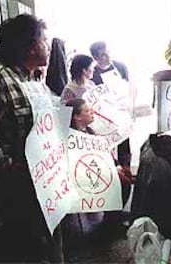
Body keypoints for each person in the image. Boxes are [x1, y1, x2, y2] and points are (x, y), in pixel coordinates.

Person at [0, 14, 60, 262]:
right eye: (44, 40)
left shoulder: (33, 79)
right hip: (15, 188)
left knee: (41, 243)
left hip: (42, 179)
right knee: (22, 247)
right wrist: (10, 165)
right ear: (29, 46)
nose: (48, 47)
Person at [63, 98, 133, 259]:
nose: (92, 112)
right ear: (77, 117)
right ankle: (108, 225)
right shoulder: (68, 137)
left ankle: (112, 221)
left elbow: (103, 153)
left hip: (97, 171)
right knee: (118, 183)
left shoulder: (90, 132)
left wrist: (116, 166)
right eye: (87, 111)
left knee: (124, 182)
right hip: (81, 178)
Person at [89, 41, 132, 170]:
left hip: (121, 109)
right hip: (104, 114)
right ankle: (111, 171)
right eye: (103, 55)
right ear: (95, 58)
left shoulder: (120, 67)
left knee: (124, 139)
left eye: (108, 53)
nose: (107, 57)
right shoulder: (93, 73)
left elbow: (128, 86)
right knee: (107, 142)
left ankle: (126, 169)